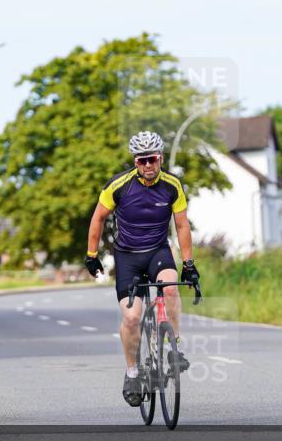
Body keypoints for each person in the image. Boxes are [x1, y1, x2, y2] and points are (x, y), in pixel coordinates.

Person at [84, 131, 199, 407]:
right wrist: (91, 255)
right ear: (136, 162)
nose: (148, 165)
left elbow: (182, 225)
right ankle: (132, 372)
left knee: (170, 289)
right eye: (142, 160)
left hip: (158, 251)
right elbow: (98, 217)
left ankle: (174, 348)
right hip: (128, 257)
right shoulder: (118, 185)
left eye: (153, 159)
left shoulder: (172, 186)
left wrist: (189, 264)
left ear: (160, 158)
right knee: (132, 318)